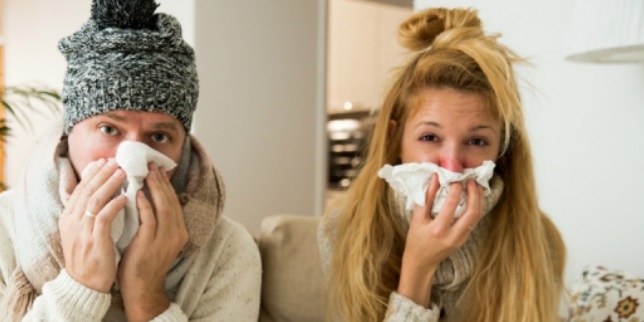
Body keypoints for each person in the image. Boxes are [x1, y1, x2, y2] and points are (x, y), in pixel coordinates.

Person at [0, 0, 261, 321]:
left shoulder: (228, 250)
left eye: (160, 137)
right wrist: (80, 287)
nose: (134, 161)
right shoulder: (5, 229)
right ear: (70, 134)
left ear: (184, 147)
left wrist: (147, 297)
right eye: (109, 129)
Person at [318, 7, 566, 322]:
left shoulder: (540, 239)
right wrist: (417, 271)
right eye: (430, 137)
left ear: (501, 151)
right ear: (396, 140)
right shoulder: (342, 231)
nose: (451, 166)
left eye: (476, 141)